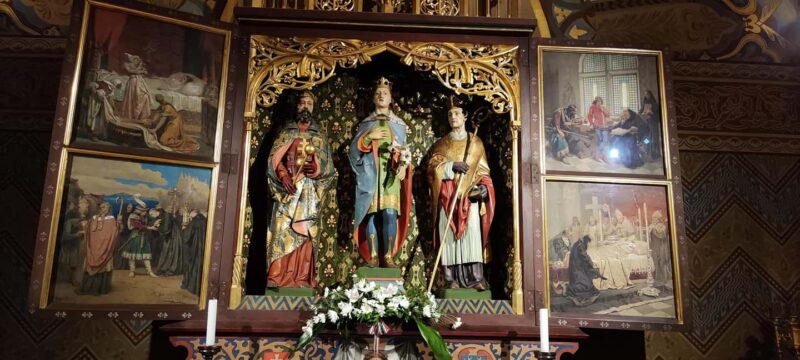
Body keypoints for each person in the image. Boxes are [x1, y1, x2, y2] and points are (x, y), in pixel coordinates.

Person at [265, 91, 335, 288]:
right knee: (281, 228)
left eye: (309, 103)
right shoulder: (285, 132)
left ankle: (301, 278)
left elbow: (328, 167)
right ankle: (276, 275)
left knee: (305, 231)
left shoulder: (319, 135)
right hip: (287, 189)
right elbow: (274, 159)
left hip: (308, 190)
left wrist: (315, 169)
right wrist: (283, 175)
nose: (305, 106)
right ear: (296, 106)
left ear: (314, 108)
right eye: (302, 103)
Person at [427, 96, 495, 290]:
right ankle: (450, 279)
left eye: (456, 113)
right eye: (449, 114)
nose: (453, 117)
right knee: (448, 237)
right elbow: (432, 169)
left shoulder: (476, 143)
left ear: (465, 116)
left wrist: (483, 189)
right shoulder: (442, 144)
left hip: (469, 198)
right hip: (448, 198)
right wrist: (451, 166)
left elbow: (483, 172)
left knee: (472, 234)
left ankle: (476, 277)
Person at [349, 77, 413, 268]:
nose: (381, 95)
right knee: (370, 214)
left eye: (385, 93)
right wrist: (369, 137)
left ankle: (388, 256)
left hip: (390, 174)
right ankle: (373, 257)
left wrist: (403, 165)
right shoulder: (366, 124)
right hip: (370, 173)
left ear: (391, 98)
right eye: (378, 93)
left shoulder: (399, 125)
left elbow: (404, 150)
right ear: (373, 98)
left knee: (390, 213)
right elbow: (353, 153)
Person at [78, 202, 120, 295]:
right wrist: (84, 225)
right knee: (89, 266)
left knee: (103, 269)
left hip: (105, 247)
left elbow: (113, 234)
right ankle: (87, 288)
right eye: (101, 207)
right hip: (93, 247)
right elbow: (88, 229)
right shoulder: (93, 219)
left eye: (105, 207)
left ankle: (99, 289)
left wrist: (118, 225)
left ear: (109, 209)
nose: (102, 209)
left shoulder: (111, 220)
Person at [122, 198, 159, 278]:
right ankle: (132, 271)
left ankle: (149, 271)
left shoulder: (144, 216)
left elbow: (150, 221)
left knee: (146, 254)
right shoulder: (133, 216)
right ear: (140, 211)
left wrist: (155, 222)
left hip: (144, 237)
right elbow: (138, 226)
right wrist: (150, 228)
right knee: (132, 255)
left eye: (145, 211)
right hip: (135, 237)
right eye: (144, 211)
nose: (146, 212)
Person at [565, 235, 606, 306]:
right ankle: (582, 297)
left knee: (586, 279)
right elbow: (585, 257)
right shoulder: (580, 245)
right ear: (586, 241)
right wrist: (591, 263)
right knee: (586, 284)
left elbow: (584, 255)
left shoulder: (577, 243)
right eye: (588, 243)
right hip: (577, 269)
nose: (588, 245)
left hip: (576, 268)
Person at [120, 53, 152, 122]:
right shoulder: (127, 65)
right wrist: (139, 71)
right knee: (132, 97)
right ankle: (131, 115)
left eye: (138, 60)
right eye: (135, 60)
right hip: (133, 82)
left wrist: (142, 71)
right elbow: (130, 71)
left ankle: (139, 114)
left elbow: (145, 72)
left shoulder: (139, 66)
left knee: (143, 95)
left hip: (139, 82)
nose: (137, 61)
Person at [181, 209, 206, 295]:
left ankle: (192, 286)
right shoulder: (205, 221)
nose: (189, 215)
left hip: (194, 248)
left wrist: (184, 229)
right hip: (203, 247)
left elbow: (187, 237)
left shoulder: (194, 222)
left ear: (194, 213)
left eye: (190, 213)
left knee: (192, 265)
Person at [155, 202, 184, 276]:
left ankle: (167, 268)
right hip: (173, 236)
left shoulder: (168, 215)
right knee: (169, 252)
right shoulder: (168, 215)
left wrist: (161, 230)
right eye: (169, 208)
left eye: (171, 208)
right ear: (166, 209)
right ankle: (167, 268)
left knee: (169, 252)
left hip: (172, 237)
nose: (170, 209)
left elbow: (166, 229)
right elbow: (166, 228)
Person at [649, 210, 671, 287]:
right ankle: (655, 278)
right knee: (654, 261)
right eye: (652, 218)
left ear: (658, 219)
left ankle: (662, 279)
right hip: (653, 246)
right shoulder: (651, 225)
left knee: (661, 261)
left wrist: (653, 229)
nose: (653, 219)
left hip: (661, 246)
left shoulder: (662, 225)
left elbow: (662, 235)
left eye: (655, 218)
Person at [586, 96, 611, 163]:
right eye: (597, 101)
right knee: (600, 140)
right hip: (597, 126)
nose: (598, 102)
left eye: (600, 101)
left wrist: (602, 109)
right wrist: (591, 123)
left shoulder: (603, 107)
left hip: (604, 126)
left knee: (605, 141)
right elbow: (589, 116)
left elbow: (608, 115)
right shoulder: (592, 107)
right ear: (595, 101)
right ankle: (602, 156)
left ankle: (598, 155)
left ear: (601, 102)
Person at [639, 90, 661, 161]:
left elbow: (657, 114)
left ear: (650, 95)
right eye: (645, 94)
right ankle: (647, 151)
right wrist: (641, 113)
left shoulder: (654, 103)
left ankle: (655, 154)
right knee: (647, 136)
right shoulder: (645, 102)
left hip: (653, 122)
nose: (646, 96)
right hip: (647, 122)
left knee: (654, 137)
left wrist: (651, 113)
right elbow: (641, 110)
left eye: (647, 94)